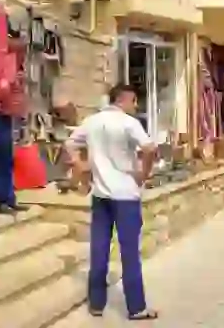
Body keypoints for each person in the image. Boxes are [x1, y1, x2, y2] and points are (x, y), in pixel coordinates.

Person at [65, 84, 159, 321]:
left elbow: (69, 144)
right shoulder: (129, 123)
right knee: (129, 253)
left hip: (101, 195)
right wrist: (144, 174)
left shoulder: (92, 121)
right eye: (134, 101)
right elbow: (149, 149)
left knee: (99, 249)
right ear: (125, 100)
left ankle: (96, 303)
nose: (136, 107)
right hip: (126, 195)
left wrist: (81, 165)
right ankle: (136, 307)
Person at [0, 8, 29, 214]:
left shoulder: (15, 63)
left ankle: (8, 198)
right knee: (1, 158)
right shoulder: (3, 58)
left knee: (7, 158)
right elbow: (3, 88)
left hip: (5, 115)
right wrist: (1, 13)